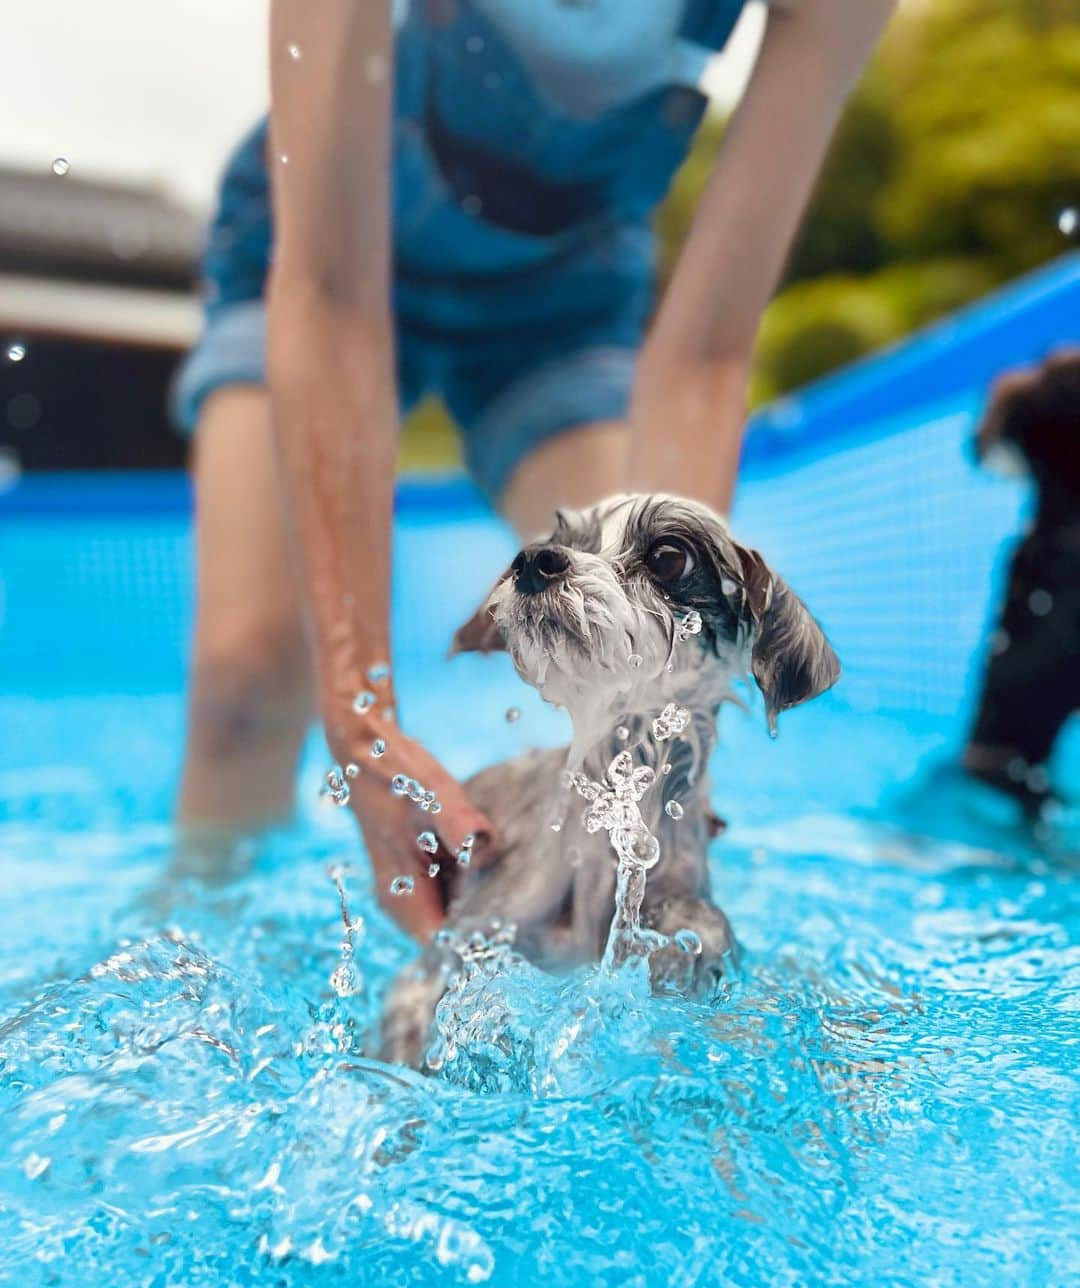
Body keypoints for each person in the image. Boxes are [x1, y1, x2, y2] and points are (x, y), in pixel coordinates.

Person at [172, 0, 895, 938]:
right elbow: (329, 290)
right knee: (246, 673)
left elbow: (707, 354)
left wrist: (679, 732)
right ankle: (200, 950)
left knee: (633, 674)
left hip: (563, 303)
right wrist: (362, 726)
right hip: (312, 256)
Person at [964, 349, 1080, 817]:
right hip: (1052, 579)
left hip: (1047, 581)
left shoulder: (1025, 404)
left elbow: (986, 456)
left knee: (998, 756)